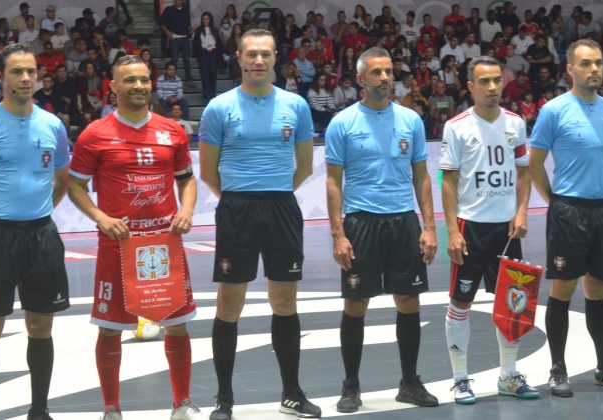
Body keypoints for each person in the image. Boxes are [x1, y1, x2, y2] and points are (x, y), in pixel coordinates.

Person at [67, 55, 205, 420]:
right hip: (117, 245)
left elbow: (187, 179)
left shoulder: (172, 130)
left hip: (163, 246)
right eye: (130, 80)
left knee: (177, 324)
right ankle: (111, 408)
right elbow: (76, 187)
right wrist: (100, 217)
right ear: (113, 86)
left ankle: (182, 403)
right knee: (110, 328)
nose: (139, 86)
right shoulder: (94, 134)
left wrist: (187, 210)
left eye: (144, 79)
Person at [199, 29, 320, 420]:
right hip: (237, 209)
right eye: (251, 54)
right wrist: (240, 198)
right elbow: (208, 171)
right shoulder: (219, 107)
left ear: (275, 58)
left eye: (265, 54)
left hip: (282, 207)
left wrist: (272, 193)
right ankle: (225, 399)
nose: (258, 61)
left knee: (285, 303)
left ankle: (292, 392)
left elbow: (303, 167)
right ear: (238, 58)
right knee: (228, 305)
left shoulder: (296, 106)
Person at [324, 46, 438, 414]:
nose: (386, 78)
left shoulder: (411, 120)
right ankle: (351, 385)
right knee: (356, 304)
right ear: (361, 79)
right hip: (361, 223)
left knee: (409, 300)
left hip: (403, 221)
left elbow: (421, 176)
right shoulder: (343, 123)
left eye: (389, 71)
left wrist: (429, 227)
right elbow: (332, 182)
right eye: (377, 73)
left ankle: (409, 382)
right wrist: (338, 234)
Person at [0, 43, 70, 420]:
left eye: (31, 71)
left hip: (41, 236)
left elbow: (61, 180)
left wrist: (37, 214)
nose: (26, 78)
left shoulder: (53, 125)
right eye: (16, 72)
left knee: (41, 325)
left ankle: (39, 410)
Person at [529, 39, 603, 397]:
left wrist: (600, 188)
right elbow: (534, 163)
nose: (595, 69)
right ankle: (558, 369)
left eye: (599, 62)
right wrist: (555, 201)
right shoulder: (554, 110)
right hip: (569, 213)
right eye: (586, 63)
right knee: (563, 289)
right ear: (570, 69)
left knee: (599, 288)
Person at [439, 55, 537, 404]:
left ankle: (508, 376)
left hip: (507, 230)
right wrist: (451, 230)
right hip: (470, 227)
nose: (493, 87)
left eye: (497, 80)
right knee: (461, 303)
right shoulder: (457, 126)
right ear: (470, 86)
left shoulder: (516, 123)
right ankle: (460, 378)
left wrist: (522, 211)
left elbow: (524, 169)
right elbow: (448, 181)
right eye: (484, 81)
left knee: (513, 304)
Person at [161, 0, 195, 88]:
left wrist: (190, 29)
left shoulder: (185, 10)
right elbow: (161, 22)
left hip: (185, 37)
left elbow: (188, 24)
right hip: (175, 38)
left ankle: (189, 79)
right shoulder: (168, 10)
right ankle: (171, 79)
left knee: (186, 60)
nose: (179, 1)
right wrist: (167, 31)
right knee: (174, 60)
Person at [192, 12, 224, 102]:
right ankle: (206, 95)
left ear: (210, 20)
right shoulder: (199, 29)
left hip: (213, 54)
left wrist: (222, 53)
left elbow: (218, 42)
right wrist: (194, 55)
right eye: (204, 19)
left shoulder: (214, 29)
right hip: (203, 54)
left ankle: (213, 95)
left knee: (213, 75)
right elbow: (195, 43)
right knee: (205, 75)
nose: (205, 20)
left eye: (207, 19)